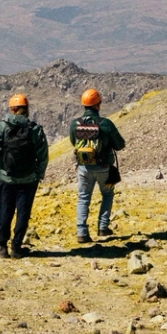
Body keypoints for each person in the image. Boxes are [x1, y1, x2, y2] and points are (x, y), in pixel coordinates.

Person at [0, 93, 49, 257]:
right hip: (28, 180)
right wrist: (38, 174)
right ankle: (17, 247)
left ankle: (2, 247)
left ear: (12, 109)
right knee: (23, 213)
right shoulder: (35, 129)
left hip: (6, 179)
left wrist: (3, 155)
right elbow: (43, 155)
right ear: (26, 109)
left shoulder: (3, 127)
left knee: (4, 211)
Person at [68, 87, 126, 242]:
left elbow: (74, 142)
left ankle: (82, 232)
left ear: (84, 105)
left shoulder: (75, 124)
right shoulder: (106, 124)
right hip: (104, 167)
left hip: (83, 167)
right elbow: (120, 144)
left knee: (83, 197)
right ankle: (103, 227)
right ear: (97, 105)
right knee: (107, 194)